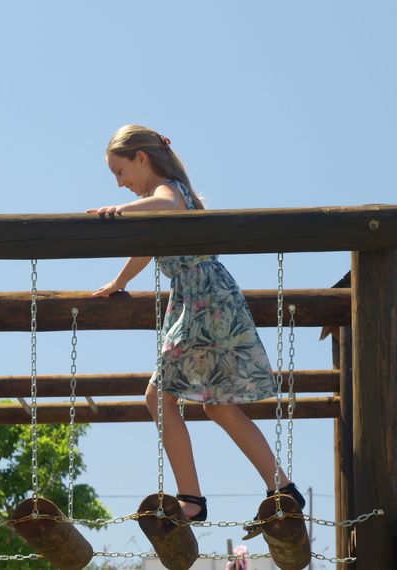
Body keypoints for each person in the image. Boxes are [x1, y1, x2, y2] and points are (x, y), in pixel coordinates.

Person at [90, 124, 305, 537]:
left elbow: (165, 204)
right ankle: (283, 489)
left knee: (158, 397)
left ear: (141, 158)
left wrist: (115, 212)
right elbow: (146, 247)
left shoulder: (169, 191)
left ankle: (192, 500)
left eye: (120, 172)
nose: (120, 185)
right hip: (204, 300)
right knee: (217, 405)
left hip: (203, 300)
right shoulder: (159, 200)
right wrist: (119, 282)